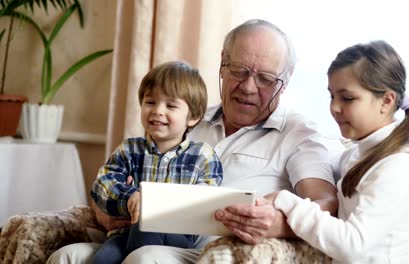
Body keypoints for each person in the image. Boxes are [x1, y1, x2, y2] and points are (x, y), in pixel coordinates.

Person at [47, 19, 338, 263]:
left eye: (264, 78)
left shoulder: (299, 134)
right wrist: (107, 212)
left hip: (216, 251)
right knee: (67, 256)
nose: (248, 87)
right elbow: (119, 174)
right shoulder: (184, 118)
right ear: (223, 62)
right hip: (141, 232)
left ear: (284, 82)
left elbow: (325, 201)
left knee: (145, 258)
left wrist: (278, 224)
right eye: (239, 71)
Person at [271, 40, 409, 263]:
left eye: (347, 98)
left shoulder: (399, 167)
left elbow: (352, 246)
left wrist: (287, 201)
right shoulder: (356, 154)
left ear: (386, 101)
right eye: (332, 96)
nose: (334, 108)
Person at [89, 61, 223, 264]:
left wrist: (154, 202)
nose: (158, 111)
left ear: (193, 117)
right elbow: (102, 184)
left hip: (175, 239)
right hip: (124, 235)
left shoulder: (203, 156)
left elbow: (207, 202)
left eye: (170, 105)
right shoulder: (129, 149)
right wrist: (130, 196)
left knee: (146, 229)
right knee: (103, 258)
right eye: (150, 102)